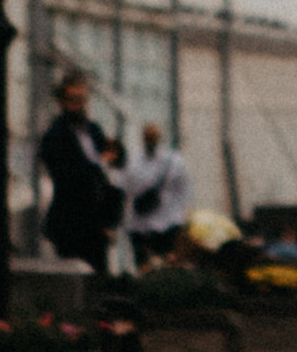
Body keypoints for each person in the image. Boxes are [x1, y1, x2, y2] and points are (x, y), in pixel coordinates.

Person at [36, 71, 121, 271]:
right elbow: (64, 176)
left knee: (99, 276)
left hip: (96, 222)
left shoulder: (93, 130)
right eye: (72, 100)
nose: (78, 105)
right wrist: (96, 165)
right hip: (72, 221)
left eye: (82, 99)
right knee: (77, 276)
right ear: (61, 102)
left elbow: (108, 169)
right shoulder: (54, 136)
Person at [122, 120, 195, 257]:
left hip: (167, 223)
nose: (150, 140)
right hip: (140, 224)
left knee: (166, 264)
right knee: (144, 267)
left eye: (153, 137)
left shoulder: (174, 161)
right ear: (143, 138)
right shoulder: (133, 160)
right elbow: (125, 189)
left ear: (160, 138)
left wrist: (180, 218)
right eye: (148, 137)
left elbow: (184, 191)